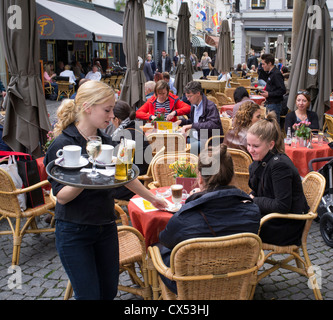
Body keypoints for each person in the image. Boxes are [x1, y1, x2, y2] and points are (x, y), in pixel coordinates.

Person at [43, 80, 166, 300]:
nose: (111, 116)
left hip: (106, 227)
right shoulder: (63, 145)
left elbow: (124, 176)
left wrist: (153, 198)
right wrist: (88, 167)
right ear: (88, 107)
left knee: (108, 293)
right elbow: (61, 197)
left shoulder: (106, 140)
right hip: (75, 231)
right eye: (107, 110)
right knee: (90, 296)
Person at [157, 144, 261, 294]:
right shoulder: (252, 211)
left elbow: (165, 240)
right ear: (233, 176)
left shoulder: (183, 218)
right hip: (234, 280)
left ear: (200, 177)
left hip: (189, 284)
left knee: (157, 248)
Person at [247, 112, 309, 246]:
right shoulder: (262, 159)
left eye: (255, 146)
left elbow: (282, 206)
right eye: (249, 145)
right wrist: (250, 197)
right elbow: (260, 191)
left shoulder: (279, 166)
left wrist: (253, 200)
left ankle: (243, 263)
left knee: (236, 226)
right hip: (273, 219)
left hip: (286, 227)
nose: (250, 150)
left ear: (271, 145)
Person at [105, 100, 152, 201]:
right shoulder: (135, 127)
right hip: (141, 179)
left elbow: (114, 165)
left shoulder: (122, 136)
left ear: (116, 119)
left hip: (130, 186)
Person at [177, 81, 223, 155]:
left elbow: (213, 125)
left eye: (190, 96)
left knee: (183, 149)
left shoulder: (210, 106)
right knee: (176, 143)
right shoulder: (194, 105)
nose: (188, 99)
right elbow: (193, 121)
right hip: (196, 138)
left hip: (208, 141)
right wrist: (181, 122)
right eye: (187, 96)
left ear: (198, 93)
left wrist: (192, 126)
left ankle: (190, 165)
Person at [259, 53, 286, 124]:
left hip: (274, 104)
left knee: (273, 126)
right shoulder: (271, 73)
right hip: (271, 103)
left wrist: (269, 94)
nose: (262, 66)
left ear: (269, 63)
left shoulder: (276, 74)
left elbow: (282, 90)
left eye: (263, 64)